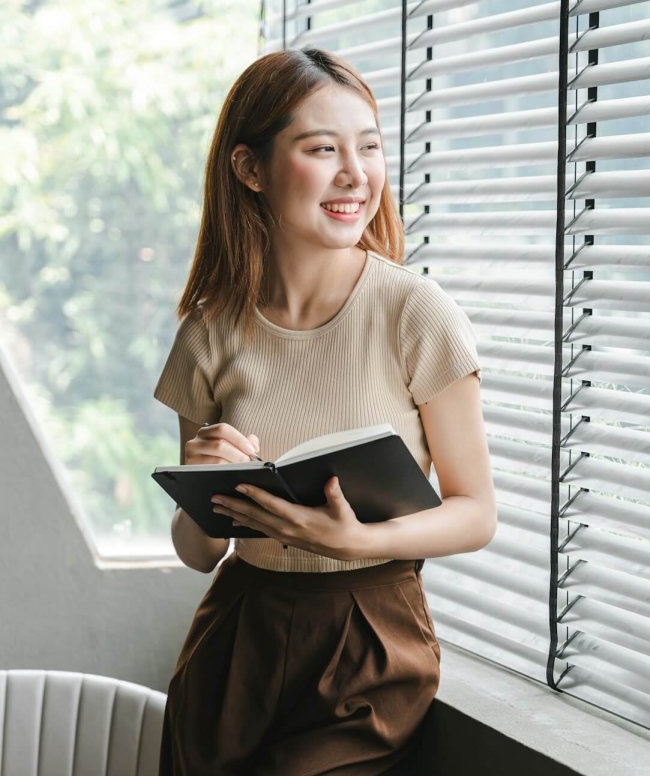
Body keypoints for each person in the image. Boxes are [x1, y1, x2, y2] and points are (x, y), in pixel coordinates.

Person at [154, 47, 496, 776]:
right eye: (322, 148)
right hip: (238, 633)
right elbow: (198, 551)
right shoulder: (208, 332)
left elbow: (475, 512)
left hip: (370, 637)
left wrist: (356, 544)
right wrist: (203, 482)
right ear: (250, 170)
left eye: (369, 146)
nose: (356, 173)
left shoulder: (417, 313)